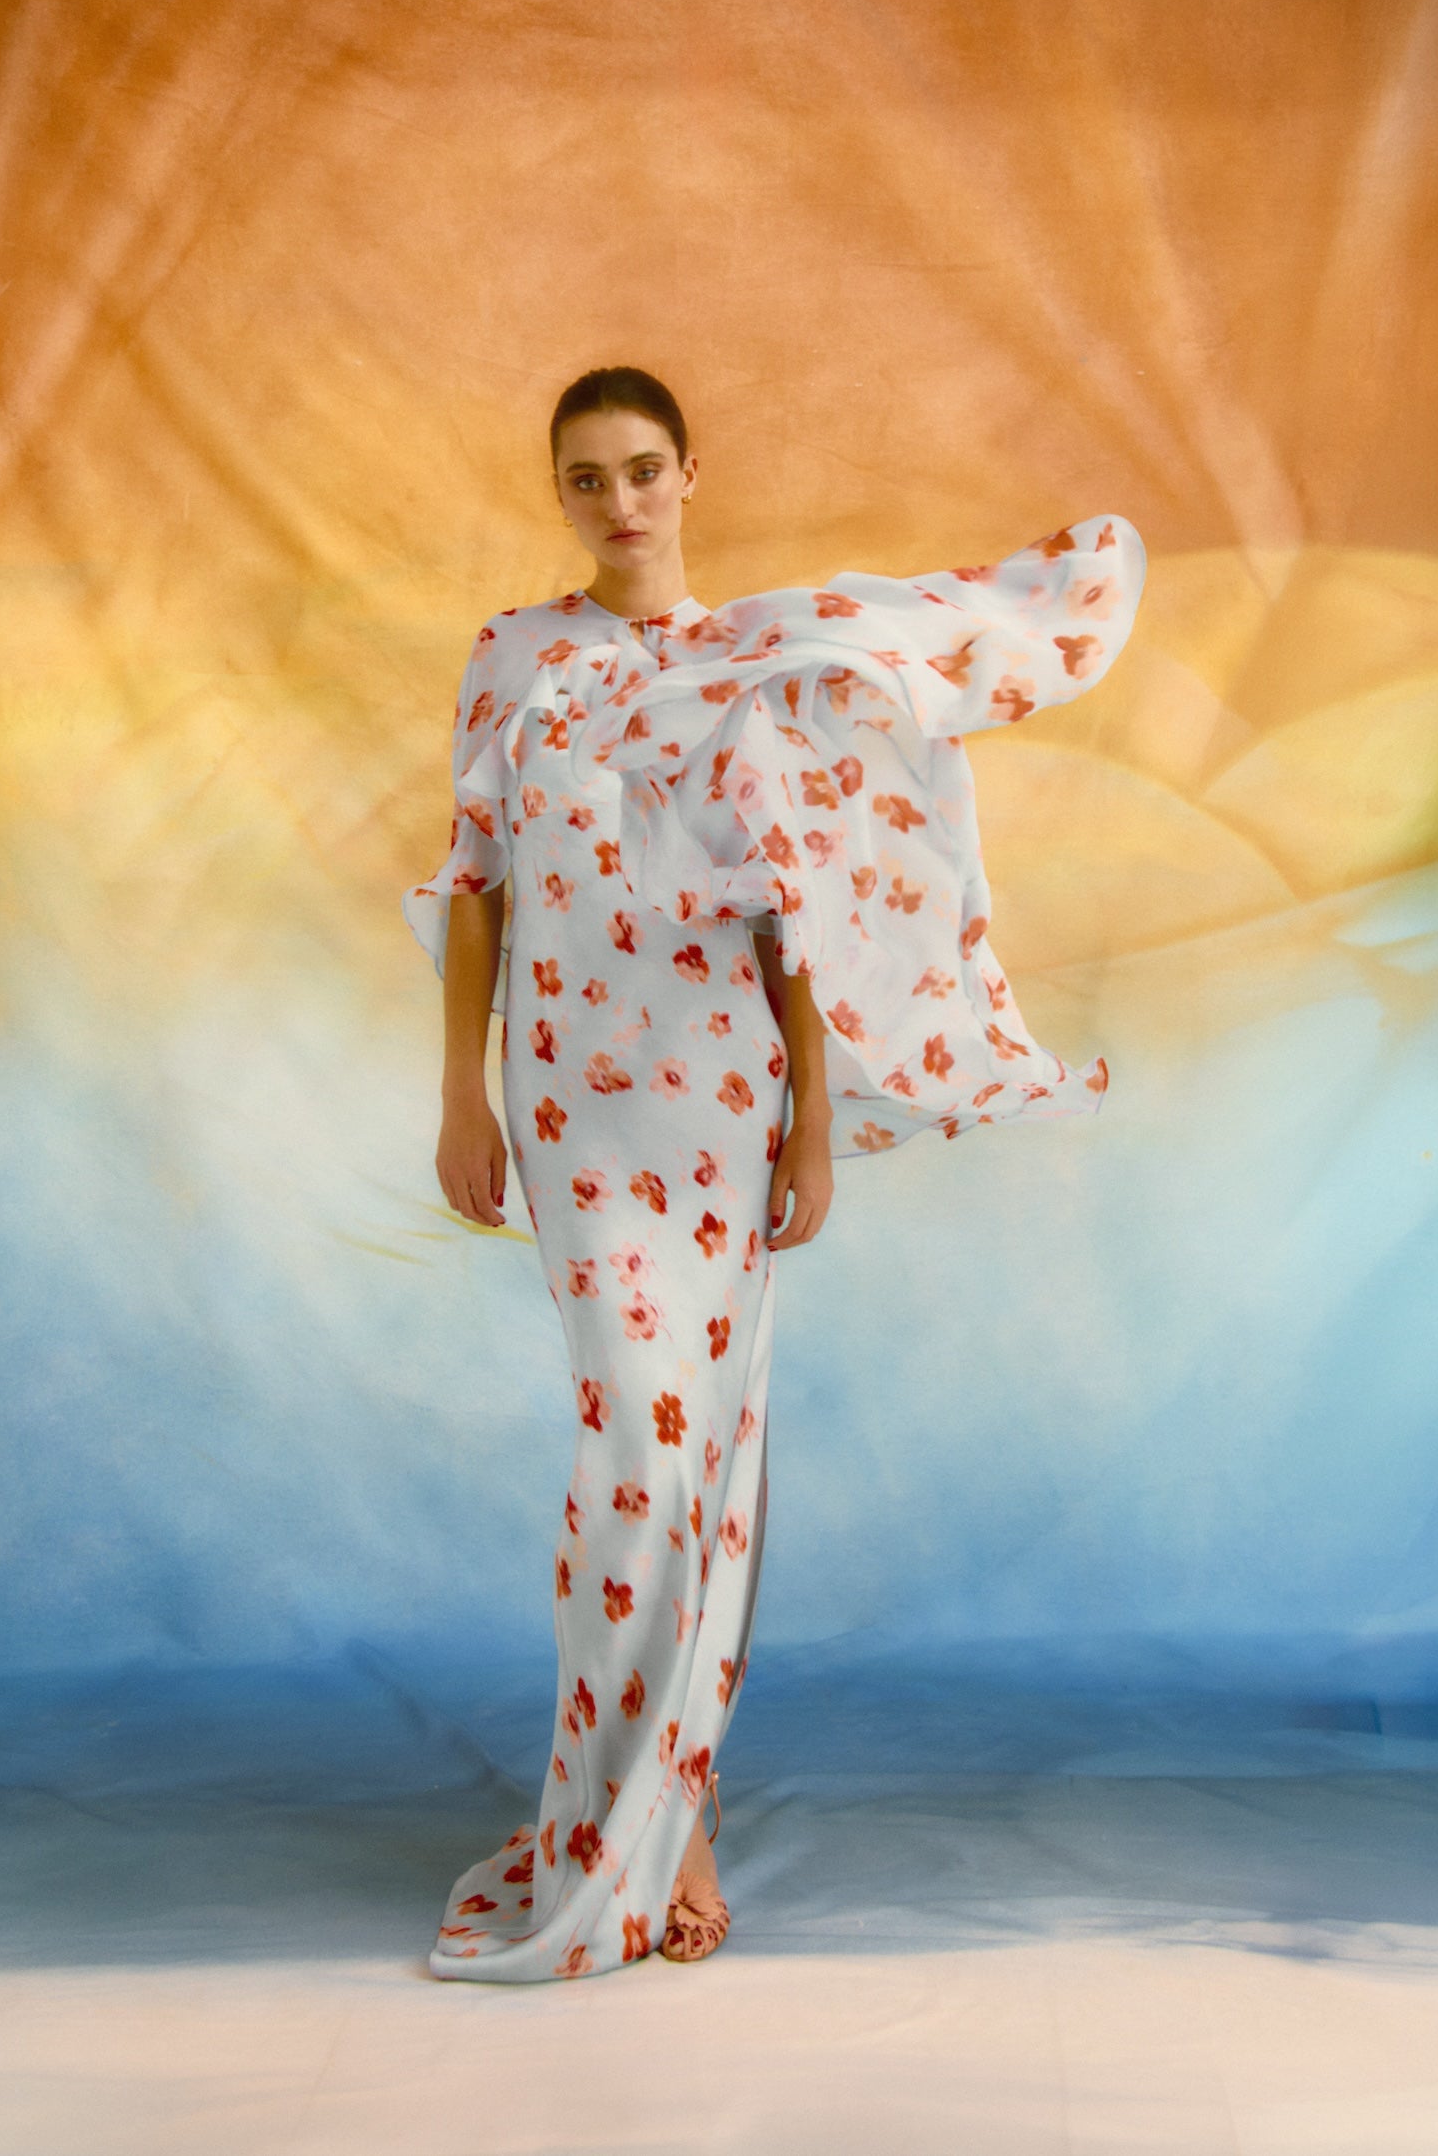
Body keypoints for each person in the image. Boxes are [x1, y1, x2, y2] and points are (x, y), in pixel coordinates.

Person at [404, 366, 1146, 1982]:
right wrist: (462, 1093)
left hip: (720, 1098)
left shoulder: (753, 667)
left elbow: (788, 913)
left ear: (691, 475)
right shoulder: (514, 658)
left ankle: (682, 1803)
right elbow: (476, 881)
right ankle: (625, 1794)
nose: (619, 502)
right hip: (573, 1103)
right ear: (558, 494)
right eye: (586, 477)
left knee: (709, 1452)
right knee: (634, 1443)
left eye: (643, 470)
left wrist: (811, 1119)